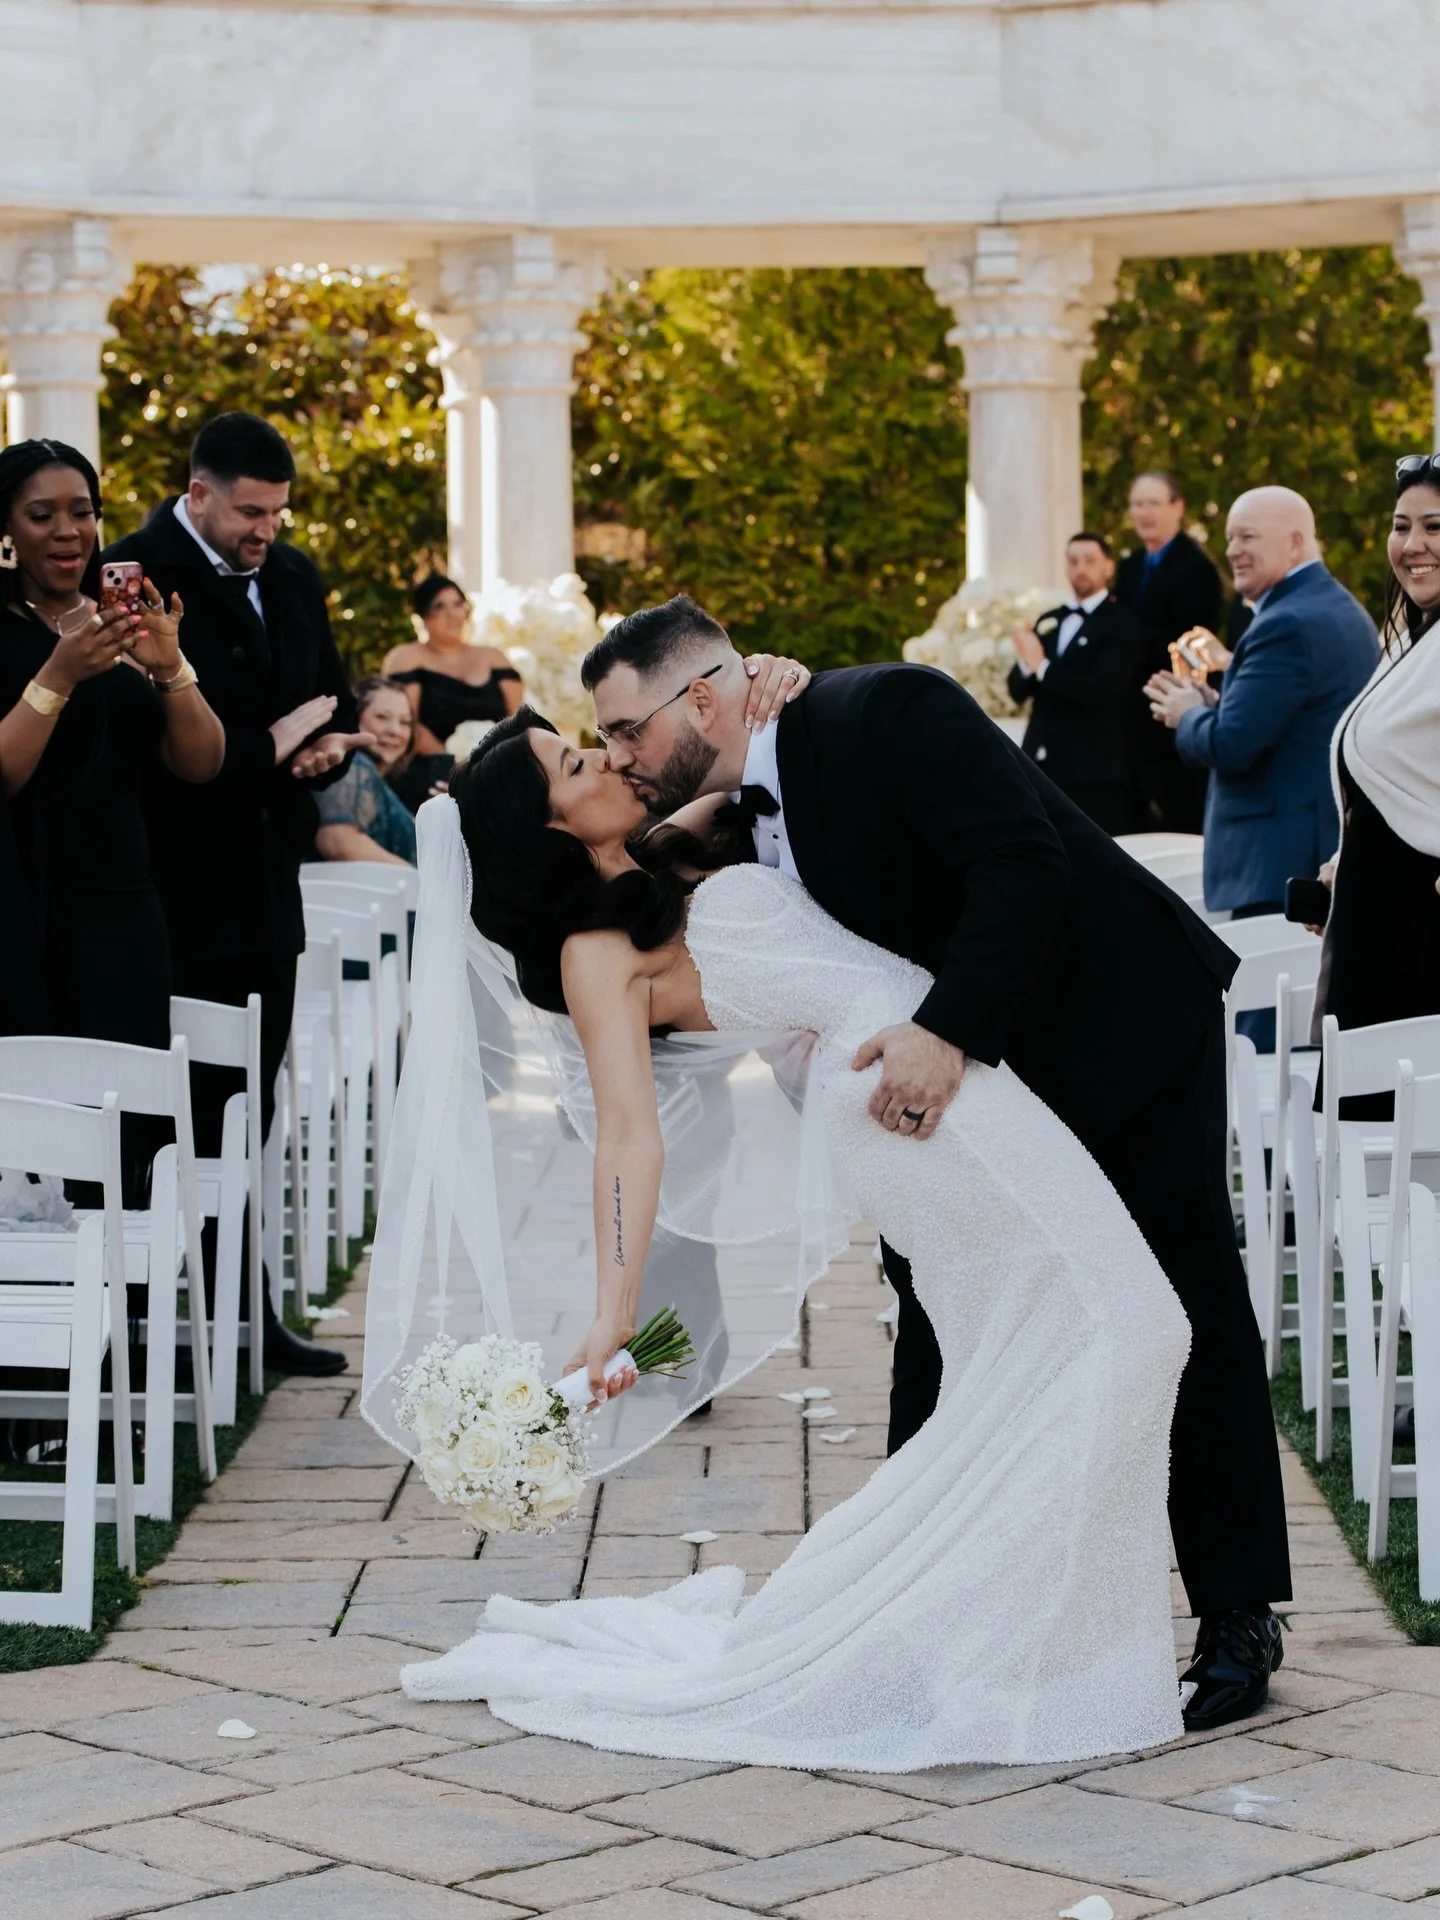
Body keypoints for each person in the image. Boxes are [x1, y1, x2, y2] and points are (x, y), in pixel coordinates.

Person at [379, 710, 1190, 1769]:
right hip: (910, 1112)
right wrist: (612, 1315)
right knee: (1136, 1327)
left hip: (941, 1077)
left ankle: (978, 1633)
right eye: (576, 765)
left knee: (1053, 1353)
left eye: (591, 741)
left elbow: (756, 756)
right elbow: (626, 1135)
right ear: (548, 829)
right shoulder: (592, 950)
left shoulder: (669, 857)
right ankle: (1010, 1638)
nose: (605, 759)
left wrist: (776, 692)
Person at [568, 597, 1292, 1733]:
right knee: (940, 1317)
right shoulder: (708, 811)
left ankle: (1238, 1612)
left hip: (1117, 1028)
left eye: (622, 732)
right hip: (966, 1095)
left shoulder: (887, 709)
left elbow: (1024, 861)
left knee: (1179, 1297)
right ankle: (918, 1606)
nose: (617, 756)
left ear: (699, 697)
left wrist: (950, 1031)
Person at [105, 412, 369, 1376]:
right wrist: (272, 745)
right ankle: (132, 1331)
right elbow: (180, 757)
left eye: (278, 512)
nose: (267, 530)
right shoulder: (131, 574)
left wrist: (323, 742)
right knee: (152, 1122)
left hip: (268, 890)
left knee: (244, 1115)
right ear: (199, 491)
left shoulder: (293, 576)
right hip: (168, 891)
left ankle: (242, 1320)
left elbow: (326, 698)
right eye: (251, 512)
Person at [0, 438, 224, 1084]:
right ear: (7, 529)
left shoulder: (116, 626)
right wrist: (59, 674)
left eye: (83, 511)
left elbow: (201, 762)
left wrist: (170, 667)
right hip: (26, 913)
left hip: (125, 916)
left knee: (129, 1132)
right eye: (42, 515)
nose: (69, 531)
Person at [1146, 487, 1379, 922]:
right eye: (1231, 538)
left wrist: (1187, 714)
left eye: (1247, 537)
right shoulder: (1335, 606)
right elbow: (1284, 720)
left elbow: (1232, 744)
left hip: (1277, 865)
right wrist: (1213, 703)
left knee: (1268, 991)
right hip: (1305, 853)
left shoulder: (1286, 623)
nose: (1233, 550)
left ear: (1294, 542)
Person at [1311, 456, 1440, 1121]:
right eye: (1401, 526)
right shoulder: (1411, 641)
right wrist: (1348, 867)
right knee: (1382, 1180)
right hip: (1379, 938)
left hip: (1422, 951)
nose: (1413, 545)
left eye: (1435, 527)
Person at [1007, 532, 1146, 835]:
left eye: (1089, 561)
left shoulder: (1122, 624)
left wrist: (1042, 665)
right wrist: (1026, 661)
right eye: (1073, 561)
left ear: (1108, 567)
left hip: (1093, 770)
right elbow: (1018, 690)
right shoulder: (1051, 618)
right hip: (1040, 765)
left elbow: (1104, 689)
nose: (1080, 568)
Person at [1115, 471, 1224, 833]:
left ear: (1177, 507)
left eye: (1154, 503)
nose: (1144, 513)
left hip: (1173, 710)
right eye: (1137, 504)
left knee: (1179, 818)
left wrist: (1128, 637)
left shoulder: (1196, 569)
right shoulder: (1129, 567)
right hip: (1130, 714)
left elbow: (1191, 639)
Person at [383, 574, 524, 756]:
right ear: (424, 615)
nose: (452, 615)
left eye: (457, 604)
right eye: (439, 606)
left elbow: (518, 721)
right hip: (428, 767)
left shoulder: (493, 658)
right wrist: (455, 767)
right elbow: (406, 722)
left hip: (494, 766)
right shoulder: (406, 658)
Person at [315, 675, 419, 865]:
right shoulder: (349, 763)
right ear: (356, 717)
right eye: (382, 717)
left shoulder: (369, 775)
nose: (395, 730)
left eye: (405, 722)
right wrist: (418, 879)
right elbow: (337, 841)